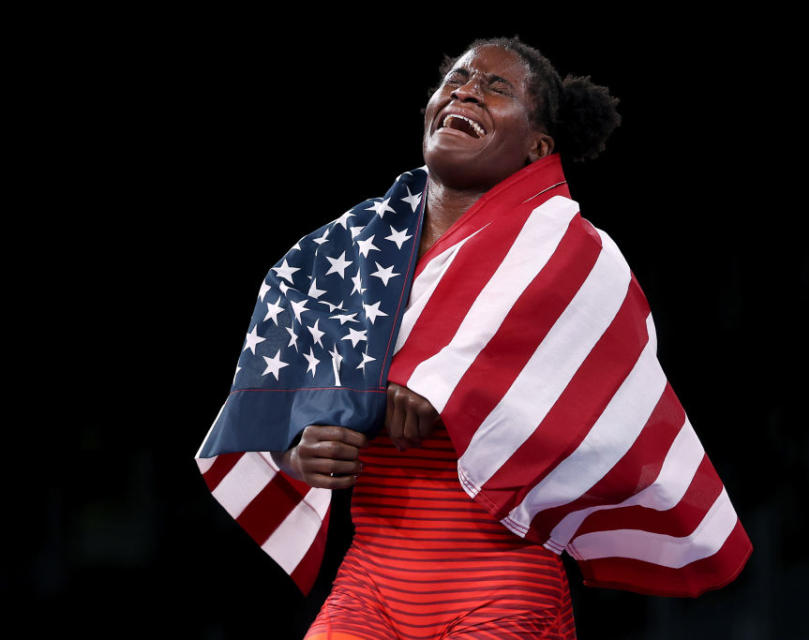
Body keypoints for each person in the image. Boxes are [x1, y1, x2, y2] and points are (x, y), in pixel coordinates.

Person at [198, 35, 751, 640]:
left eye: (496, 87)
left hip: (500, 584)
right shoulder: (348, 251)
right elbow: (280, 400)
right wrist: (296, 449)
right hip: (371, 583)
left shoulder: (577, 256)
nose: (466, 90)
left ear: (538, 147)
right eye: (456, 79)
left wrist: (438, 385)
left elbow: (582, 414)